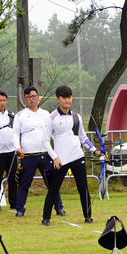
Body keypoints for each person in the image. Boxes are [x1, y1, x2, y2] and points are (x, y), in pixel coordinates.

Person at [41, 85, 100, 225]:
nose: (67, 100)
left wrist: (95, 150)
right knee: (53, 189)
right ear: (58, 99)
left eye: (69, 97)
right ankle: (46, 218)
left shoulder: (77, 117)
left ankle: (88, 216)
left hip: (77, 156)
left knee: (83, 188)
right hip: (60, 159)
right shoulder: (52, 118)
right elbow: (44, 141)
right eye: (64, 98)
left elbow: (83, 138)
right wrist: (55, 157)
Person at [12, 86, 63, 217]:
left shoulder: (46, 114)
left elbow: (53, 133)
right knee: (24, 184)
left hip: (45, 154)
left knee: (52, 183)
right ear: (25, 99)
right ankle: (20, 209)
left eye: (34, 96)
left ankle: (59, 208)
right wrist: (17, 147)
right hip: (28, 155)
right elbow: (15, 134)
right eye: (28, 97)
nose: (32, 99)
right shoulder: (20, 115)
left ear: (38, 98)